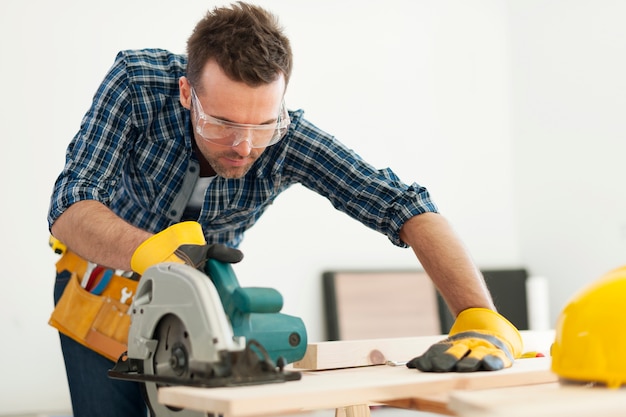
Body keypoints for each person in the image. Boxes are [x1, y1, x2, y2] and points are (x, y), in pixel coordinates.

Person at [48, 2, 522, 416]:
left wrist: (479, 316)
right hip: (100, 280)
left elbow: (403, 204)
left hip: (197, 305)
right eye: (223, 123)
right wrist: (146, 249)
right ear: (187, 93)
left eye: (263, 125)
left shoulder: (289, 137)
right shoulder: (136, 83)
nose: (243, 145)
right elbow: (70, 201)